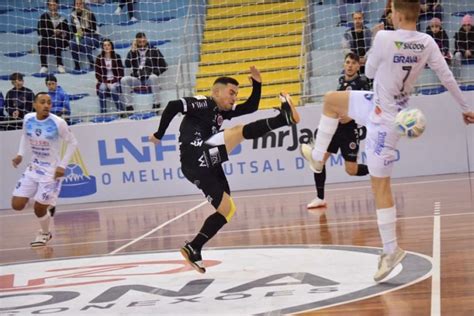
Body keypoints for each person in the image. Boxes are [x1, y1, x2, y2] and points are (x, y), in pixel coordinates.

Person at [300, 0, 474, 282]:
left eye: (391, 11)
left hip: (385, 122)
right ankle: (318, 158)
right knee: (332, 101)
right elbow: (446, 76)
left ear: (396, 14)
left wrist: (382, 55)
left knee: (380, 186)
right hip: (378, 103)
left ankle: (391, 250)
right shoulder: (427, 41)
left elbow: (368, 73)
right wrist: (465, 107)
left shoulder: (384, 37)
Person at [148, 66, 300, 273]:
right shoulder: (204, 103)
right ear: (216, 92)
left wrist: (257, 84)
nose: (235, 98)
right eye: (231, 93)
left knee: (227, 209)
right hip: (196, 156)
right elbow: (174, 105)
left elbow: (251, 108)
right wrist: (159, 133)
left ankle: (194, 247)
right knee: (237, 133)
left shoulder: (221, 112)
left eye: (236, 94)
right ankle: (283, 119)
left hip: (203, 165)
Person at [11, 92, 78, 247]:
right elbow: (24, 136)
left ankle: (45, 233)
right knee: (17, 205)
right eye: (42, 102)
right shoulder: (28, 118)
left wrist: (62, 166)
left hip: (51, 171)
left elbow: (73, 143)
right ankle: (49, 202)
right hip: (33, 167)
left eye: (49, 102)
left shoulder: (58, 122)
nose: (46, 105)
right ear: (35, 105)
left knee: (39, 208)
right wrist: (20, 154)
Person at [305, 52, 370, 209]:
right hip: (335, 129)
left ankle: (377, 169)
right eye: (347, 62)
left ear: (358, 66)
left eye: (353, 63)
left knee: (351, 170)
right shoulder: (341, 81)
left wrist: (351, 117)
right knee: (318, 161)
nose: (350, 65)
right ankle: (320, 198)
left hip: (350, 131)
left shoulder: (362, 83)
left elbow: (367, 108)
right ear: (344, 64)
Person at [122, 32, 167, 111]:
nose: (142, 44)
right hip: (137, 78)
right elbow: (127, 64)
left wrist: (154, 72)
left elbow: (164, 65)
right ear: (136, 42)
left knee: (154, 77)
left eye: (143, 41)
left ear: (146, 40)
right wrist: (132, 51)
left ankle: (156, 104)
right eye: (139, 42)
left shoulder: (154, 50)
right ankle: (128, 106)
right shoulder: (133, 52)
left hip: (149, 78)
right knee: (124, 80)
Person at [37, 0, 70, 74]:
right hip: (47, 40)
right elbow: (40, 31)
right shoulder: (44, 17)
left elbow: (68, 33)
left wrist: (61, 33)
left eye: (54, 5)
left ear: (57, 5)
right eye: (50, 5)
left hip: (60, 40)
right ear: (48, 6)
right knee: (40, 43)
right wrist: (53, 32)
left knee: (56, 41)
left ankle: (60, 65)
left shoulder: (62, 19)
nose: (52, 7)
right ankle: (44, 66)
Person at [95, 38, 124, 113]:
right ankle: (103, 112)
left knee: (113, 89)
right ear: (102, 47)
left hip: (115, 80)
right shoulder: (99, 58)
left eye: (108, 45)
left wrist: (112, 81)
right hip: (104, 81)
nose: (106, 47)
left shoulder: (117, 57)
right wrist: (106, 82)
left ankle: (121, 110)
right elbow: (97, 74)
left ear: (111, 46)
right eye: (104, 45)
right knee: (101, 89)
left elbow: (121, 73)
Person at [70, 0, 100, 72]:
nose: (78, 5)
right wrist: (78, 33)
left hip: (92, 36)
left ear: (83, 4)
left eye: (80, 4)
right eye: (77, 4)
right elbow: (73, 30)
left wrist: (85, 32)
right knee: (72, 43)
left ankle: (92, 63)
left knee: (85, 41)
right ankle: (77, 65)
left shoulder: (89, 13)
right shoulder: (72, 15)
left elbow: (94, 28)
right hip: (80, 36)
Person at [453, 14, 474, 79]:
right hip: (463, 53)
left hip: (473, 52)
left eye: (468, 25)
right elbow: (457, 45)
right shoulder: (459, 33)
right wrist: (464, 51)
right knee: (457, 54)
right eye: (464, 25)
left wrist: (471, 51)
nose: (466, 27)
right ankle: (457, 77)